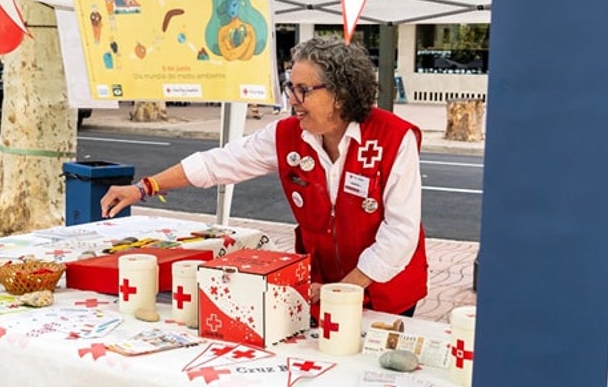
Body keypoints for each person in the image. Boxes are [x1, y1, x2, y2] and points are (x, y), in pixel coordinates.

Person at [100, 36, 427, 316]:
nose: (293, 101)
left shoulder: (394, 138)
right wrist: (145, 187)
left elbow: (401, 232)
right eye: (290, 87)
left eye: (303, 90)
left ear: (341, 93)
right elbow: (220, 163)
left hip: (385, 290)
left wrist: (345, 290)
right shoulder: (287, 135)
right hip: (322, 285)